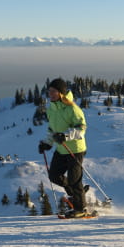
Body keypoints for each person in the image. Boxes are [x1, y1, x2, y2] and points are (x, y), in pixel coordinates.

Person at [38, 78, 88, 218]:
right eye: (49, 91)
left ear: (61, 93)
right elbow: (51, 129)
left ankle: (80, 209)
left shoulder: (72, 108)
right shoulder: (51, 110)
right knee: (54, 175)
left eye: (53, 91)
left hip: (75, 149)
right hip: (61, 149)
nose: (50, 94)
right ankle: (76, 193)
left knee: (74, 179)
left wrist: (66, 136)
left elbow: (82, 128)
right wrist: (47, 143)